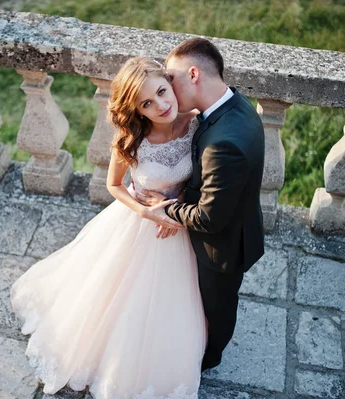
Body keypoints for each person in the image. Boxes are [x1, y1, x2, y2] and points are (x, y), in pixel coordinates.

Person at [10, 57, 206, 399]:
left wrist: (179, 211)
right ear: (137, 110)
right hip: (140, 223)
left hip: (182, 223)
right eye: (147, 103)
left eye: (162, 91)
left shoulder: (196, 123)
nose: (161, 105)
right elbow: (115, 186)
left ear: (169, 82)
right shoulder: (133, 139)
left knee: (176, 304)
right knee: (115, 297)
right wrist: (147, 213)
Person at [137, 38, 266, 372]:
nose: (167, 84)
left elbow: (208, 218)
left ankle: (208, 360)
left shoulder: (223, 143)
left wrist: (163, 208)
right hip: (237, 221)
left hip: (221, 246)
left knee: (217, 305)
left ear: (193, 74)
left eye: (172, 78)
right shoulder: (235, 103)